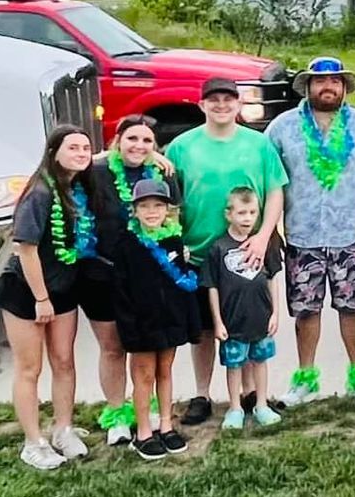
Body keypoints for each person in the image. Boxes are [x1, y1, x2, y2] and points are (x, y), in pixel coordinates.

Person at [166, 76, 289, 426]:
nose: (221, 105)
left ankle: (251, 393)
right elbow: (169, 198)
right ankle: (203, 394)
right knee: (206, 329)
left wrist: (265, 235)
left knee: (251, 321)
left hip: (252, 248)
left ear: (238, 105)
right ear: (202, 105)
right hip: (201, 252)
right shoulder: (181, 147)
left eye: (228, 99)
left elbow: (276, 191)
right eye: (214, 100)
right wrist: (177, 242)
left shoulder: (258, 144)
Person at [266, 56, 355, 407]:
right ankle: (305, 380)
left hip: (349, 234)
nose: (328, 87)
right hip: (301, 237)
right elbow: (267, 178)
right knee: (305, 311)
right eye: (320, 82)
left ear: (344, 87)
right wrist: (269, 228)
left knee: (352, 306)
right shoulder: (282, 128)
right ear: (307, 87)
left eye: (335, 81)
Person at [0, 123, 98, 471]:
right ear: (54, 153)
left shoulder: (76, 185)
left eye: (85, 148)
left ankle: (63, 428)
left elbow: (112, 155)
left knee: (64, 361)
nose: (81, 154)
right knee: (30, 368)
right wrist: (41, 298)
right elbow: (25, 247)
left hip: (63, 287)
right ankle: (32, 441)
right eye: (73, 148)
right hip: (28, 290)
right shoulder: (40, 193)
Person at [87, 115, 183, 447]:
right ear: (117, 140)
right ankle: (117, 414)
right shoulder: (97, 173)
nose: (139, 146)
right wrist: (105, 154)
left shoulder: (160, 174)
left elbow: (174, 220)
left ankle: (149, 409)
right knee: (113, 347)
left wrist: (153, 158)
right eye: (132, 139)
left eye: (146, 141)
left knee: (149, 348)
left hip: (146, 276)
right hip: (102, 272)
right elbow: (76, 162)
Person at [113, 178, 206, 459]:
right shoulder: (126, 244)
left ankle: (166, 425)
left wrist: (188, 322)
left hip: (171, 322)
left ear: (168, 209)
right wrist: (128, 329)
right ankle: (143, 432)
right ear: (135, 210)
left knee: (165, 372)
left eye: (158, 205)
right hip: (141, 326)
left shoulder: (174, 241)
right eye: (144, 206)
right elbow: (120, 292)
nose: (152, 211)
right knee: (143, 377)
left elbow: (183, 284)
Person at [201, 187, 287, 435]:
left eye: (252, 212)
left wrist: (275, 313)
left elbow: (272, 279)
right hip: (232, 320)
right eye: (241, 213)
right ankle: (235, 407)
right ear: (229, 215)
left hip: (260, 318)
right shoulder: (218, 248)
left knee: (260, 361)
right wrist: (218, 322)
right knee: (235, 363)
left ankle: (261, 404)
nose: (247, 218)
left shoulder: (264, 243)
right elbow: (212, 287)